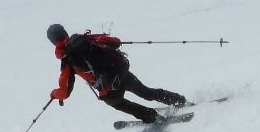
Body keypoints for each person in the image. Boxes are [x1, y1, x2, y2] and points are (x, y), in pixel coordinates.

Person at [46, 24, 186, 124]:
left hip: (109, 89)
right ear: (65, 32)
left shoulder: (67, 60)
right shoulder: (86, 39)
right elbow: (115, 42)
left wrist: (54, 94)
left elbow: (64, 92)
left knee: (119, 103)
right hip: (121, 72)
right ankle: (178, 100)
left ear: (53, 42)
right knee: (147, 92)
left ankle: (152, 117)